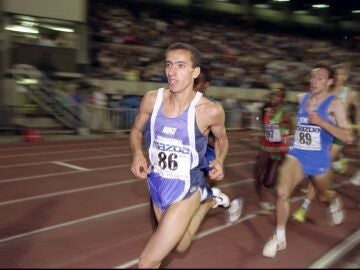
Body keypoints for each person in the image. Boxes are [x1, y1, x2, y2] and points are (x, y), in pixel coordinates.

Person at [129, 42, 230, 268]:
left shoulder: (208, 110)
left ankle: (201, 196)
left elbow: (222, 139)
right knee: (181, 246)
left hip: (186, 186)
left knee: (147, 261)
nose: (172, 72)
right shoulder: (152, 100)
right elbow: (135, 131)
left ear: (195, 72)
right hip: (156, 183)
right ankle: (208, 200)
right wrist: (137, 153)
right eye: (169, 65)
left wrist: (220, 161)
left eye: (181, 66)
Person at [262, 64, 353, 258]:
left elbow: (348, 137)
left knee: (322, 196)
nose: (314, 81)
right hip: (297, 154)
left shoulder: (334, 104)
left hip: (319, 158)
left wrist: (322, 122)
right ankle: (279, 238)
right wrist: (292, 135)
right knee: (281, 192)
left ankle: (333, 200)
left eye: (320, 77)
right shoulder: (302, 99)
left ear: (330, 82)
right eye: (312, 77)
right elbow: (301, 126)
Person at [292, 63, 359, 223]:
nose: (339, 76)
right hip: (319, 133)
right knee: (316, 169)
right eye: (337, 73)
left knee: (318, 168)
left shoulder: (350, 94)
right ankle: (339, 161)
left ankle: (305, 206)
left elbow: (357, 110)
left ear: (346, 77)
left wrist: (356, 124)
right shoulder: (323, 91)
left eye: (342, 74)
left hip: (336, 133)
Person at [195, 66, 242, 223]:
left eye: (198, 80)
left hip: (207, 154)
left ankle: (227, 203)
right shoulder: (182, 101)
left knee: (200, 192)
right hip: (187, 155)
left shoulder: (212, 107)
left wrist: (204, 137)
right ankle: (223, 202)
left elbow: (220, 139)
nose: (193, 83)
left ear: (206, 84)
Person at [254, 88, 294, 215]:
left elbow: (292, 131)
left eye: (277, 96)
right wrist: (260, 135)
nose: (273, 98)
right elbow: (264, 127)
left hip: (278, 151)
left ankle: (269, 200)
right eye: (272, 95)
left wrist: (286, 142)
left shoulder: (285, 115)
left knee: (269, 182)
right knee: (257, 176)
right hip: (265, 148)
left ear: (282, 99)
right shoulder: (266, 111)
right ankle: (264, 203)